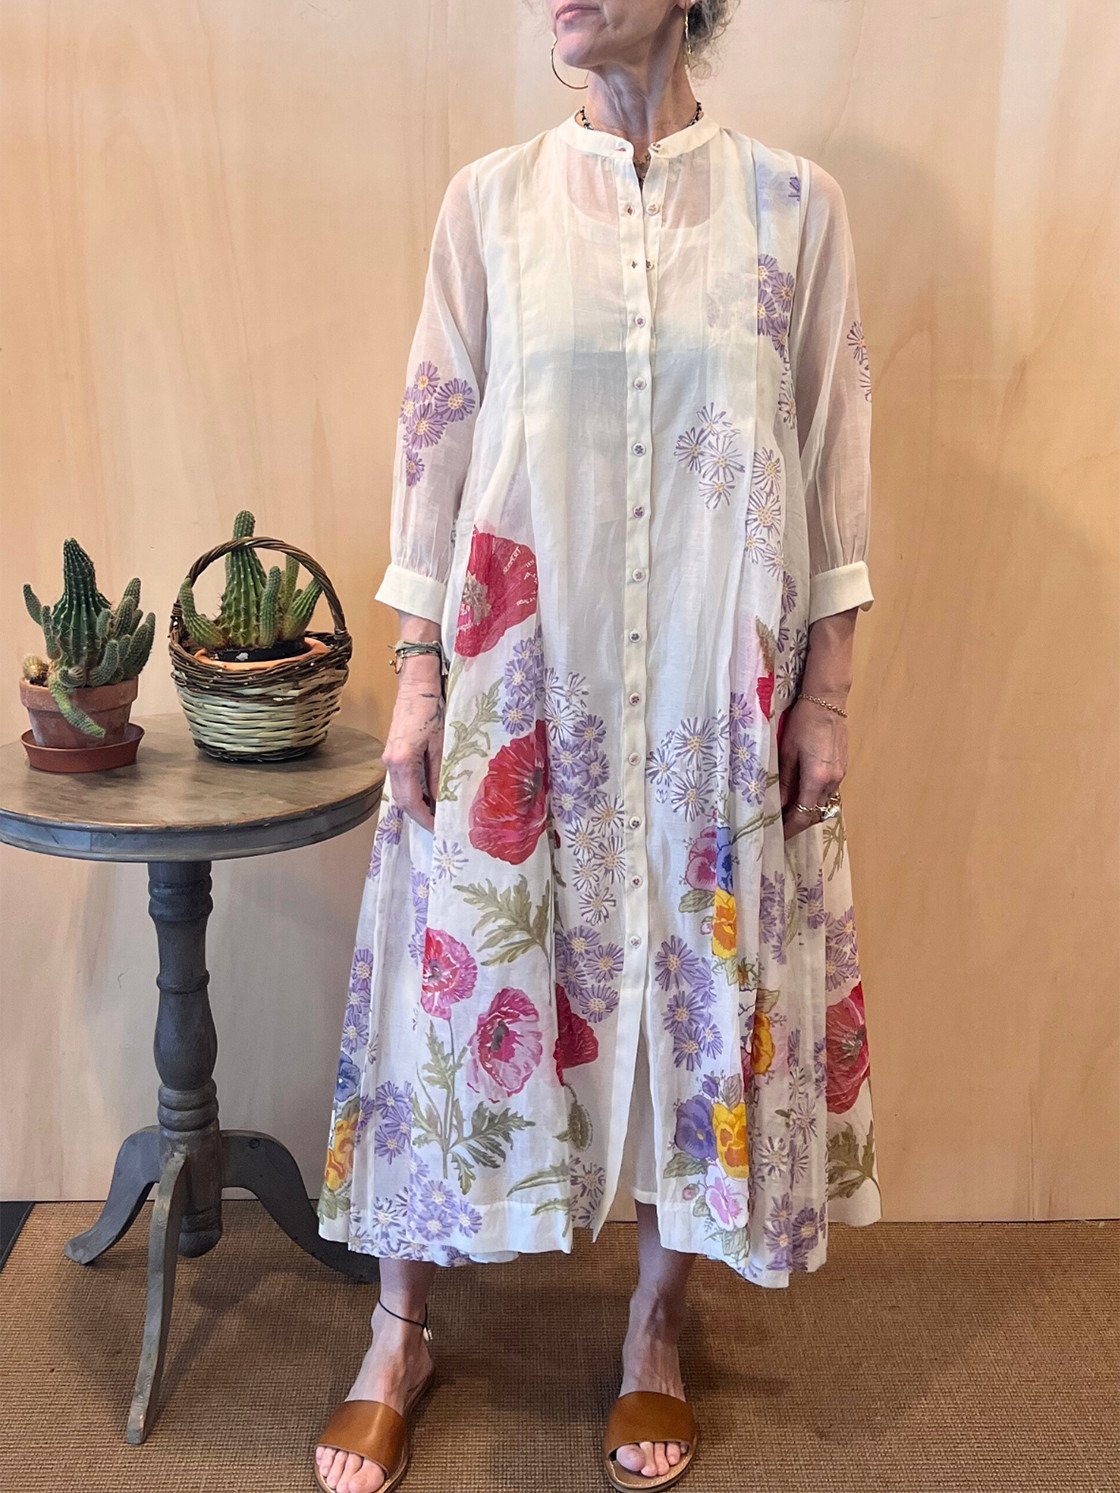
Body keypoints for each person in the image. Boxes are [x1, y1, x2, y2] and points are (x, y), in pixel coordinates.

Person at [312, 2, 882, 1489]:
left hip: (711, 687)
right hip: (524, 676)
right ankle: (397, 1331)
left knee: (698, 984)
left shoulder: (793, 209)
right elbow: (433, 450)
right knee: (458, 980)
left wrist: (825, 698)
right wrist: (419, 673)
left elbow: (834, 457)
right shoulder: (491, 205)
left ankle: (654, 1330)